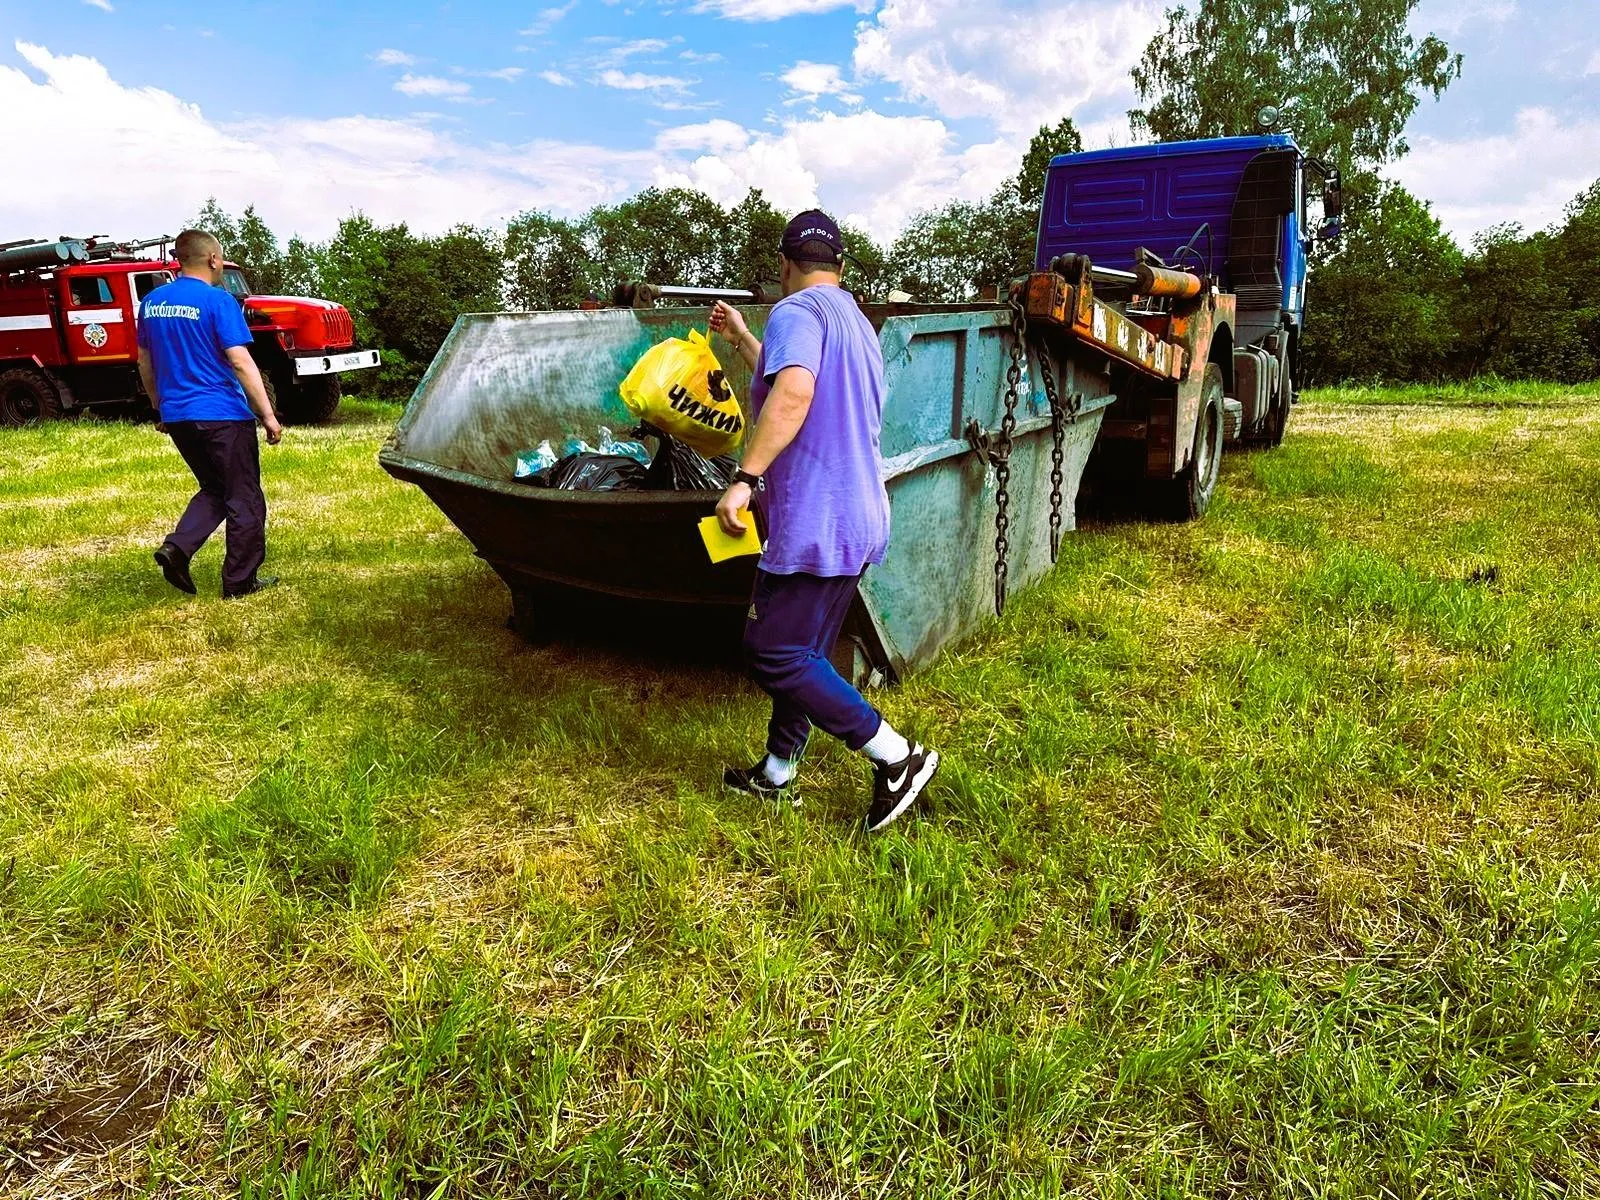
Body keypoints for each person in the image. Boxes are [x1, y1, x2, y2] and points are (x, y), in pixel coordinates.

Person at [710, 209, 939, 832]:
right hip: (860, 515)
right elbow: (799, 377)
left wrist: (744, 478)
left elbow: (795, 392)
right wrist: (743, 342)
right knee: (805, 649)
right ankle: (778, 772)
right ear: (839, 266)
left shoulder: (794, 312)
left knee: (773, 650)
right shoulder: (857, 324)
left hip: (816, 518)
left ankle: (898, 758)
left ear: (785, 265)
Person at [137, 229, 282, 599]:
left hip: (179, 415)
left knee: (216, 488)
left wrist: (159, 409)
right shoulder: (218, 301)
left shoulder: (152, 303)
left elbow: (145, 363)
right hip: (222, 415)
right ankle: (239, 582)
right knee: (244, 497)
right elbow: (240, 361)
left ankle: (177, 549)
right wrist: (267, 413)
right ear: (214, 259)